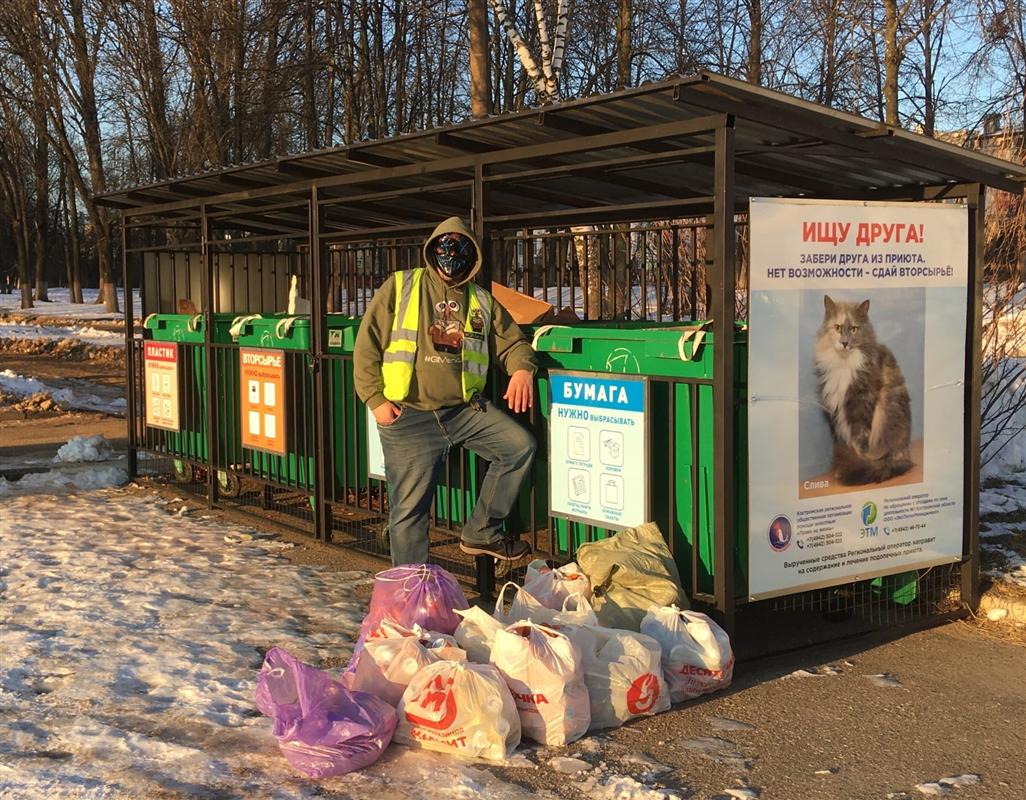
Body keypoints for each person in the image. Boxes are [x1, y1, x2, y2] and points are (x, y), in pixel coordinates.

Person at [354, 216, 537, 566]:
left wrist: (523, 370)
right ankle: (410, 598)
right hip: (408, 415)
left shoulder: (480, 300)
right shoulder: (401, 286)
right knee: (409, 512)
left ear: (473, 257)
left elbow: (513, 343)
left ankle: (482, 530)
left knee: (519, 447)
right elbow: (367, 344)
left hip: (464, 411)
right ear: (432, 247)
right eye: (445, 246)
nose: (452, 256)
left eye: (461, 249)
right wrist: (375, 400)